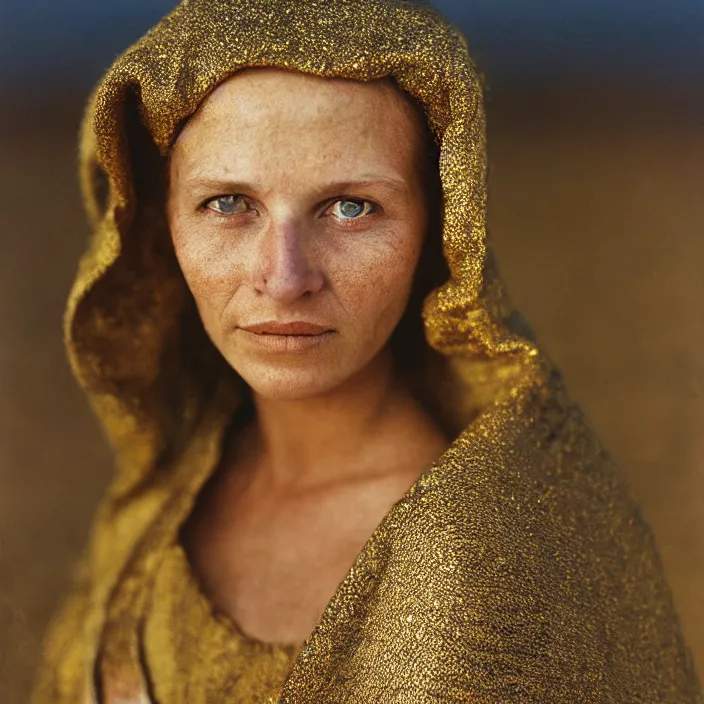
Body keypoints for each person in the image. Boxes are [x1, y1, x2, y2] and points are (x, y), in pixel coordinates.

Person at [31, 0, 702, 702]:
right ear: (156, 225)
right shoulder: (181, 471)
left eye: (351, 207)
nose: (286, 279)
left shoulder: (478, 570)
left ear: (442, 231)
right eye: (229, 203)